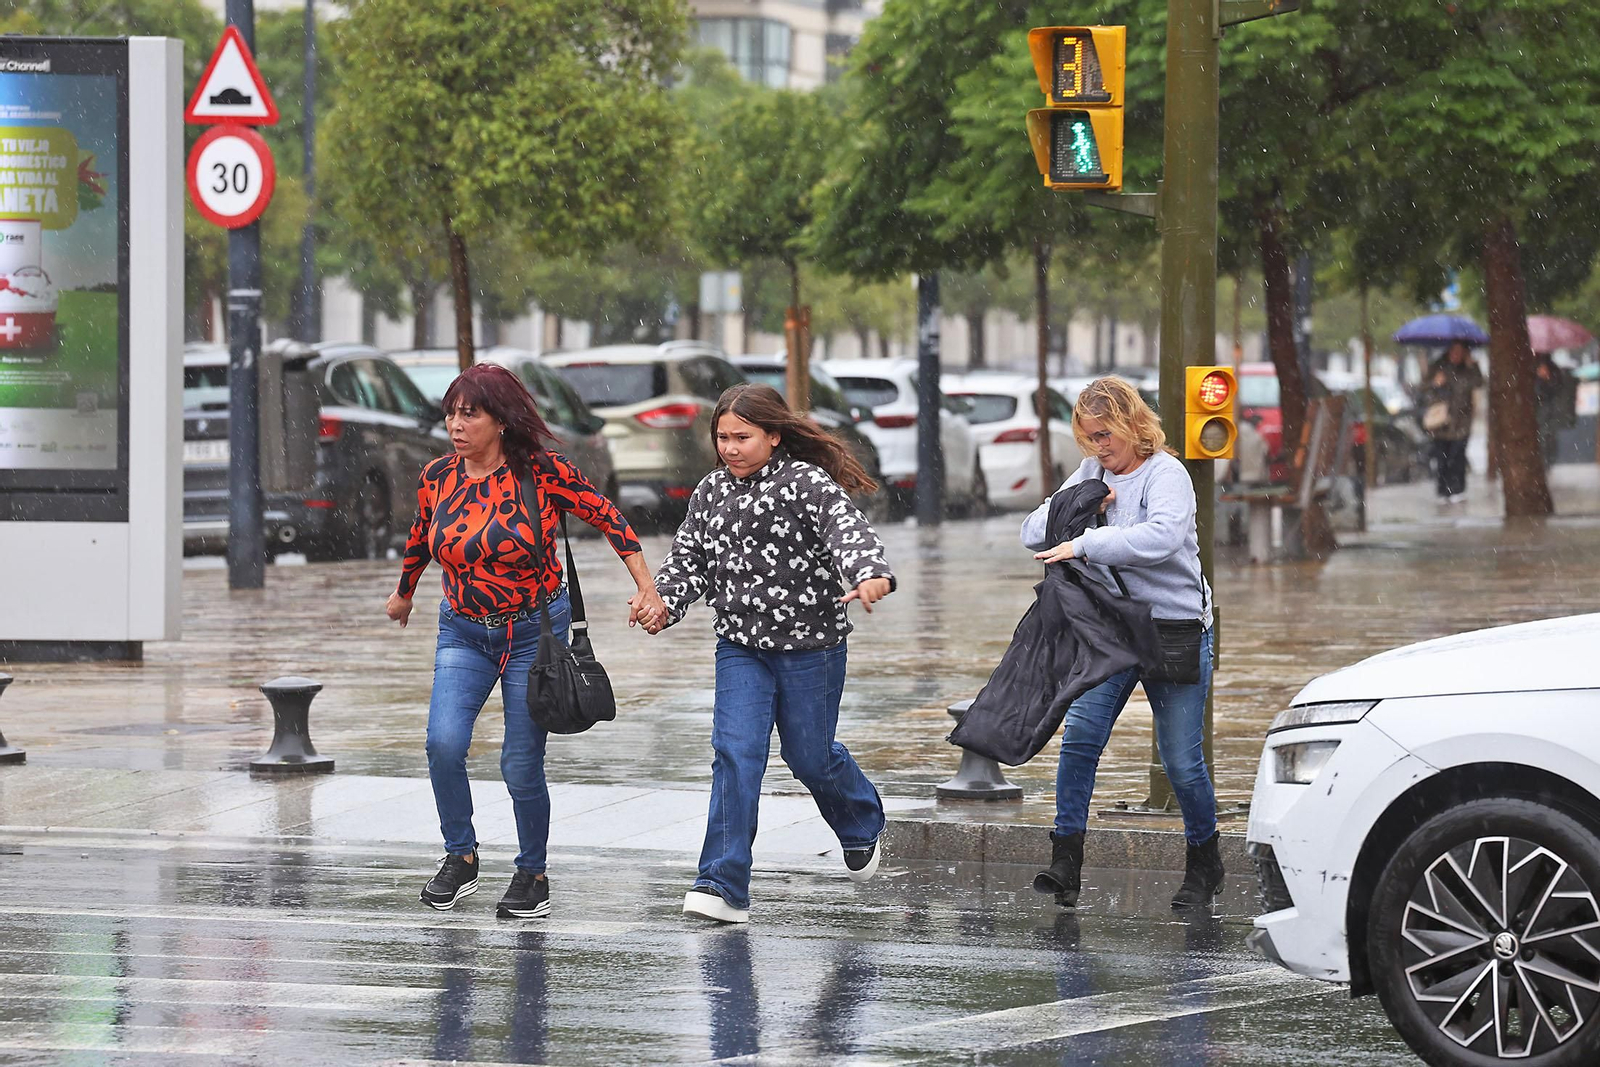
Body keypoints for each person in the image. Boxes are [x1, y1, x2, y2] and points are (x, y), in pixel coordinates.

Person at [386, 363, 667, 919]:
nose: (456, 425)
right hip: (462, 631)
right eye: (451, 413)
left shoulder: (541, 472)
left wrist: (646, 585)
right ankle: (461, 856)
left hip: (532, 635)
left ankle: (532, 871)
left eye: (471, 413)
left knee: (519, 761)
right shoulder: (437, 476)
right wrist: (404, 593)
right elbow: (422, 535)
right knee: (442, 745)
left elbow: (608, 517)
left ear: (502, 420)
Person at [638, 383, 894, 924]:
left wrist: (870, 573)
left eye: (742, 437)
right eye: (722, 437)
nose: (729, 447)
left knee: (810, 756)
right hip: (740, 647)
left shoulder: (806, 482)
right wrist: (662, 604)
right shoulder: (710, 492)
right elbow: (688, 561)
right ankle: (722, 883)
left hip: (812, 647)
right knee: (735, 753)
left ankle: (861, 820)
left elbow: (848, 531)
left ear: (774, 436)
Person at [1020, 376, 1223, 910]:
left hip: (1174, 628)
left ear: (1135, 425)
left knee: (1181, 761)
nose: (1099, 448)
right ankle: (1066, 862)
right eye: (1089, 438)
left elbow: (1161, 538)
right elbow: (1034, 530)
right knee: (1081, 738)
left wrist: (1086, 540)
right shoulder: (1091, 472)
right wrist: (1084, 499)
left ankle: (1206, 859)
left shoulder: (1167, 474)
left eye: (1106, 435)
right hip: (1111, 631)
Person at [1421, 342, 1483, 502]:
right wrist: (1435, 383)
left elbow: (1479, 383)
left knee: (1458, 457)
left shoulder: (1469, 369)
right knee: (1442, 459)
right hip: (1441, 422)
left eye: (1460, 351)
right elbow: (1424, 389)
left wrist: (1473, 366)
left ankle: (1457, 489)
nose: (1457, 355)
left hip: (1462, 422)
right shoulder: (1438, 367)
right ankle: (1443, 491)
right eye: (1454, 351)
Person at [1534, 353, 1577, 469]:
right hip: (1540, 409)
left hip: (1550, 409)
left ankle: (1548, 461)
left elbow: (1557, 388)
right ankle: (1544, 460)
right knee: (1543, 435)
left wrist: (1547, 379)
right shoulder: (1532, 367)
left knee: (1549, 435)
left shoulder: (1553, 368)